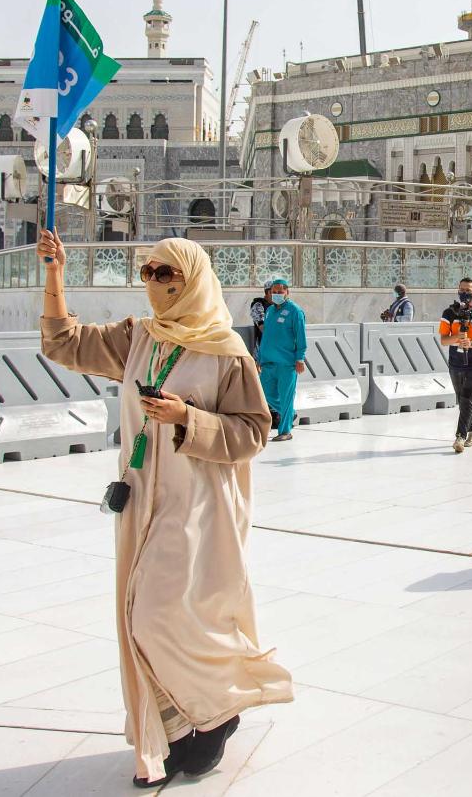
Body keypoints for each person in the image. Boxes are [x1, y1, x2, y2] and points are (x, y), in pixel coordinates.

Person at [38, 232, 292, 786]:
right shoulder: (137, 338)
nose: (154, 284)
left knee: (162, 615)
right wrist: (56, 275)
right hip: (141, 497)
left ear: (192, 279)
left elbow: (253, 432)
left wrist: (186, 417)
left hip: (197, 503)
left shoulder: (226, 350)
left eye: (166, 274)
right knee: (140, 616)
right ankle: (178, 727)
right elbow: (63, 342)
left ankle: (216, 710)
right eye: (148, 272)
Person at [438, 277, 472, 453]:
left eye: (468, 291)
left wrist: (471, 343)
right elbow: (444, 340)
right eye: (462, 290)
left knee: (468, 397)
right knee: (462, 399)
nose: (465, 293)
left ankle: (460, 437)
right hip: (456, 361)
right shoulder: (449, 313)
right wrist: (458, 338)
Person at [258, 279, 306, 442]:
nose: (277, 294)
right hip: (268, 362)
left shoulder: (295, 311)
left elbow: (301, 337)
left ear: (287, 292)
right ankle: (290, 414)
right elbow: (267, 337)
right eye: (274, 292)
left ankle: (285, 430)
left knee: (286, 397)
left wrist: (300, 358)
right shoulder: (270, 310)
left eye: (280, 292)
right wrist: (260, 358)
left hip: (287, 363)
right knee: (266, 393)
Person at [249, 285, 271, 355]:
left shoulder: (277, 306)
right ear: (269, 292)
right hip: (264, 348)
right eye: (275, 292)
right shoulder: (258, 305)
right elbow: (262, 327)